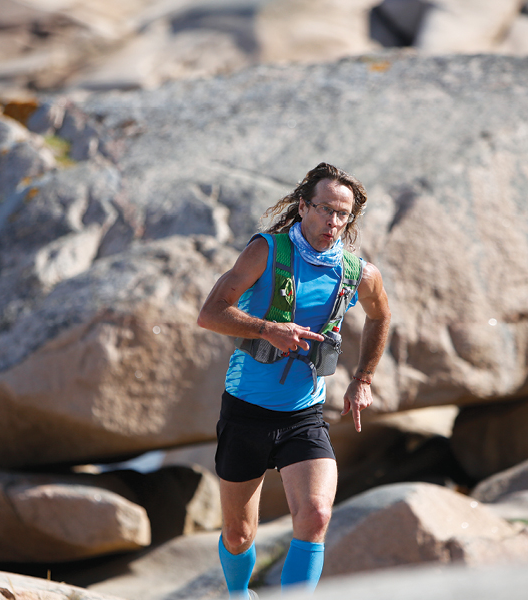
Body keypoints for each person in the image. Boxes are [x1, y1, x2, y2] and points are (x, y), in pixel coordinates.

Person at [197, 162, 391, 597]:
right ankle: (238, 595)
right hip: (246, 410)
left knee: (316, 515)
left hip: (304, 415)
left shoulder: (357, 272)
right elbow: (210, 314)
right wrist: (268, 329)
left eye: (343, 214)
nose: (333, 221)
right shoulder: (265, 251)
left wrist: (364, 378)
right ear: (303, 207)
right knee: (239, 536)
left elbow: (381, 315)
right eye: (325, 209)